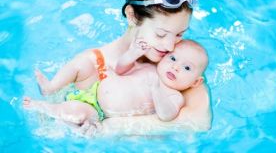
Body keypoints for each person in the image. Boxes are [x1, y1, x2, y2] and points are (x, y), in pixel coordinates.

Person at [23, 0, 212, 134]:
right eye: (161, 34)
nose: (171, 46)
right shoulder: (89, 65)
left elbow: (199, 122)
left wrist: (110, 128)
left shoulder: (179, 62)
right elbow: (46, 127)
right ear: (132, 16)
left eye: (180, 33)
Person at [23, 39, 208, 132]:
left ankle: (49, 112)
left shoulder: (174, 96)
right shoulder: (148, 67)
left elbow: (166, 115)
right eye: (173, 58)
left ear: (195, 82)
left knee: (76, 113)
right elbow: (120, 68)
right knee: (70, 104)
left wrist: (157, 90)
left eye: (186, 68)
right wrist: (133, 53)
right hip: (93, 93)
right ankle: (48, 97)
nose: (175, 67)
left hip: (99, 113)